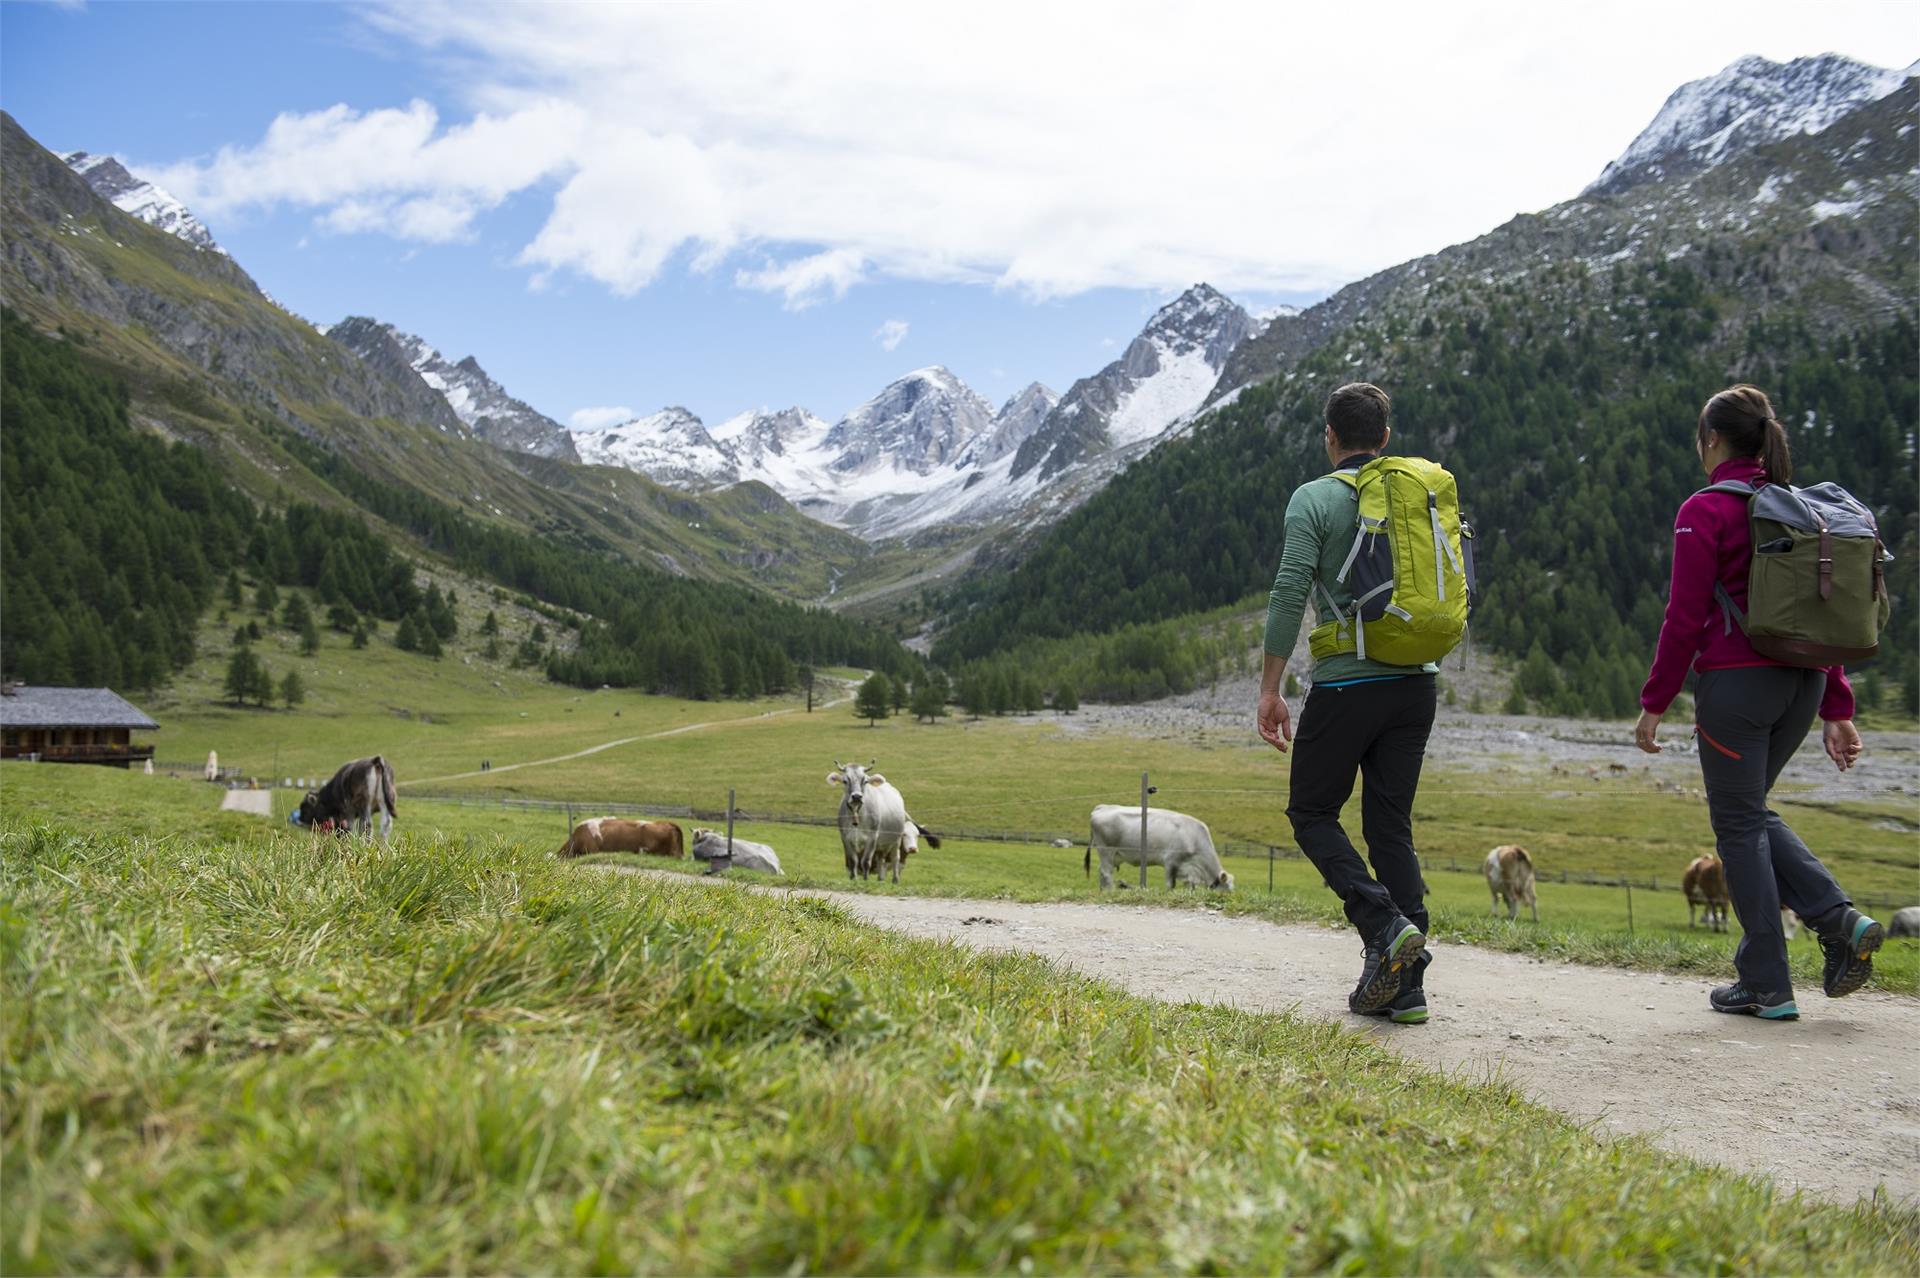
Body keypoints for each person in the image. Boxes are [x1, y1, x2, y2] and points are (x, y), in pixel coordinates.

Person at [1635, 384, 1882, 1021]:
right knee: (1751, 813)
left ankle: (1767, 981)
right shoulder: (1797, 507)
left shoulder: (1704, 509)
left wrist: (1654, 702)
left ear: (1711, 439)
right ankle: (1839, 922)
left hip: (1738, 690)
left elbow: (1683, 618)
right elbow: (1821, 615)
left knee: (1739, 824)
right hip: (1801, 685)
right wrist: (1837, 703)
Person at [1258, 383, 1437, 1023]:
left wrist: (1270, 688)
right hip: (1418, 683)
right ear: (1384, 439)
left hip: (1346, 684)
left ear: (1329, 436)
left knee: (1311, 812)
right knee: (1390, 826)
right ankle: (1407, 986)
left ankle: (1384, 927)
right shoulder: (1418, 493)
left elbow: (1287, 592)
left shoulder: (1316, 498)